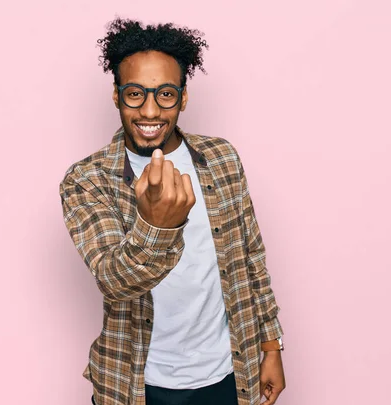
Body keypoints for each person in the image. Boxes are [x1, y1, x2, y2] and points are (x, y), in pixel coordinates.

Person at [59, 18, 286, 405]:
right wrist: (157, 225)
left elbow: (251, 260)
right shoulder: (86, 180)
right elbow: (115, 282)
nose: (149, 111)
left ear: (183, 97)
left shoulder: (222, 159)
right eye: (134, 94)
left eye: (164, 94)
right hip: (137, 383)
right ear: (116, 95)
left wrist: (271, 346)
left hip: (230, 372)